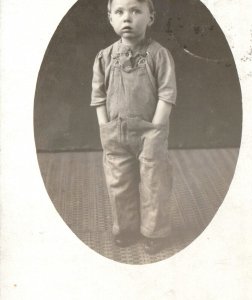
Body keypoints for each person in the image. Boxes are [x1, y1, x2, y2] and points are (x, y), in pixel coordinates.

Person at [91, 0, 177, 254]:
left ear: (150, 17)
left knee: (154, 182)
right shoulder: (104, 57)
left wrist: (156, 129)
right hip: (114, 133)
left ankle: (154, 231)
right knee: (118, 183)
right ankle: (126, 228)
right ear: (110, 18)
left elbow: (167, 94)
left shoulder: (159, 54)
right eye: (119, 12)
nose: (127, 18)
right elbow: (98, 97)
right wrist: (105, 128)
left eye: (135, 10)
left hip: (149, 133)